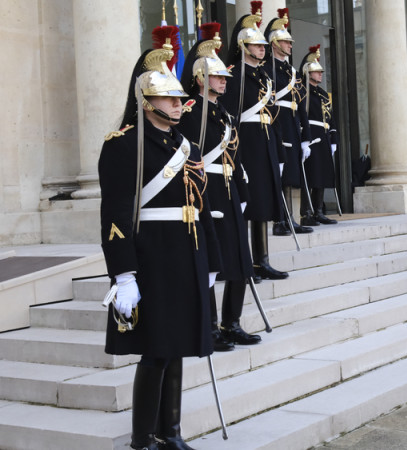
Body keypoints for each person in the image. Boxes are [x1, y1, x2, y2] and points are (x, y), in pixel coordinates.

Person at [98, 31, 221, 450]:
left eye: (177, 98)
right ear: (148, 103)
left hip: (186, 251)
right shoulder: (123, 146)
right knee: (156, 351)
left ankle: (171, 432)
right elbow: (114, 215)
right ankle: (142, 438)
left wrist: (211, 261)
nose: (178, 104)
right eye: (169, 99)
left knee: (180, 345)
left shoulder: (182, 144)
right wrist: (123, 274)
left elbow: (197, 205)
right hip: (152, 256)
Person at [178, 23, 262, 350]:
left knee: (240, 259)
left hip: (229, 190)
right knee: (212, 261)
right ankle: (210, 326)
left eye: (225, 77)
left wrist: (242, 195)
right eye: (217, 77)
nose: (224, 81)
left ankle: (233, 322)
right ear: (200, 78)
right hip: (207, 190)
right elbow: (188, 157)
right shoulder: (189, 113)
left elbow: (235, 156)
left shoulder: (224, 114)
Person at [219, 7, 289, 282]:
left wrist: (280, 151)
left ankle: (262, 260)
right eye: (256, 46)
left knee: (262, 202)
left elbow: (275, 115)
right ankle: (245, 262)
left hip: (266, 142)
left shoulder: (264, 76)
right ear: (243, 46)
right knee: (248, 203)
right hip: (246, 144)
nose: (262, 50)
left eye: (263, 46)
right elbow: (229, 115)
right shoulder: (233, 75)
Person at [264, 8, 314, 235]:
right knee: (279, 174)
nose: (290, 45)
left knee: (291, 173)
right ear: (274, 43)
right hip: (278, 122)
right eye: (286, 42)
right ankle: (279, 221)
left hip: (292, 123)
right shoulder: (267, 68)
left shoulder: (291, 71)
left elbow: (301, 102)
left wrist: (306, 137)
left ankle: (290, 218)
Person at [298, 45, 338, 226]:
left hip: (322, 135)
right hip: (310, 135)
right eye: (317, 72)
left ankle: (319, 210)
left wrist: (333, 138)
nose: (320, 74)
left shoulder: (322, 94)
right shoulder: (302, 91)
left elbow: (330, 117)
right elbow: (302, 116)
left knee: (321, 174)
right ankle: (306, 212)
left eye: (321, 72)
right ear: (308, 72)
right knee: (310, 174)